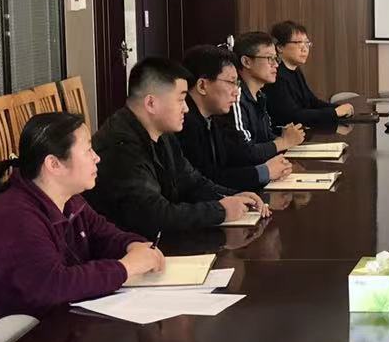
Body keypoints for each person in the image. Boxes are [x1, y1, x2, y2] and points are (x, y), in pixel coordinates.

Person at [0, 111, 164, 342]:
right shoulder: (15, 218)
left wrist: (133, 245)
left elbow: (104, 235)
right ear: (54, 164)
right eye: (88, 150)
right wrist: (125, 267)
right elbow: (54, 285)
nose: (97, 158)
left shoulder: (69, 200)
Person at [88, 56, 270, 236]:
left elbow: (191, 181)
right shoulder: (120, 147)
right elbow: (154, 216)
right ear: (151, 103)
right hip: (131, 245)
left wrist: (232, 197)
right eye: (180, 99)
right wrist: (220, 210)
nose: (186, 108)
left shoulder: (162, 132)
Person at [180, 44, 292, 193]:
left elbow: (230, 164)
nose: (236, 92)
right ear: (202, 86)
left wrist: (266, 169)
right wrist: (264, 171)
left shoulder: (214, 118)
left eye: (237, 83)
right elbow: (207, 179)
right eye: (231, 82)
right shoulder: (183, 124)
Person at [264, 19, 355, 127]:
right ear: (280, 47)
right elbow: (292, 116)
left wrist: (338, 108)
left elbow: (312, 102)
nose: (305, 49)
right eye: (298, 43)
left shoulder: (295, 70)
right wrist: (334, 113)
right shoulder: (275, 75)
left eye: (307, 43)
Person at [230, 30, 305, 157]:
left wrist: (285, 135)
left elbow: (265, 137)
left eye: (276, 59)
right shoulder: (234, 96)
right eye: (269, 58)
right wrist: (284, 142)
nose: (276, 65)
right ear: (246, 62)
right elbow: (245, 152)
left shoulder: (260, 95)